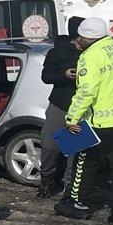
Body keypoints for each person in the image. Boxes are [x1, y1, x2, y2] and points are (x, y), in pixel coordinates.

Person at [55, 17, 113, 225]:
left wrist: (72, 118)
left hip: (103, 122)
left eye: (80, 37)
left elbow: (86, 92)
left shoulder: (90, 56)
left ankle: (78, 204)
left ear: (86, 37)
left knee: (85, 162)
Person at [38, 16, 84, 198]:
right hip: (60, 104)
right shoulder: (58, 52)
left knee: (74, 150)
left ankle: (70, 187)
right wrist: (64, 75)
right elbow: (46, 76)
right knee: (50, 145)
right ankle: (48, 180)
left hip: (81, 107)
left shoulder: (91, 53)